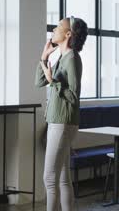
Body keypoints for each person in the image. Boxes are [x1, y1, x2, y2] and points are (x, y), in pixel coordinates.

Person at [35, 16, 87, 211]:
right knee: (63, 178)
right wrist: (44, 57)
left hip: (63, 124)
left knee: (50, 178)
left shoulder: (72, 58)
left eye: (58, 26)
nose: (54, 29)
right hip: (59, 122)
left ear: (68, 34)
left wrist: (53, 81)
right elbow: (39, 82)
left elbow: (74, 96)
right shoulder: (63, 58)